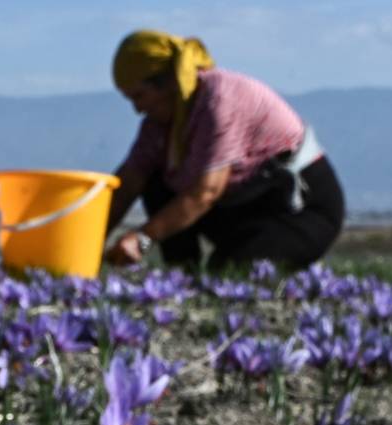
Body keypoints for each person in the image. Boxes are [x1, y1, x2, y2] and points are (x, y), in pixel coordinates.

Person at [103, 30, 344, 272]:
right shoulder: (159, 124)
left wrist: (142, 239)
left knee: (228, 273)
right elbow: (128, 183)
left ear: (166, 83)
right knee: (155, 182)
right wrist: (90, 241)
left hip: (296, 208)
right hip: (243, 205)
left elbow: (207, 192)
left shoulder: (219, 99)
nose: (137, 109)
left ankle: (290, 264)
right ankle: (181, 272)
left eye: (139, 96)